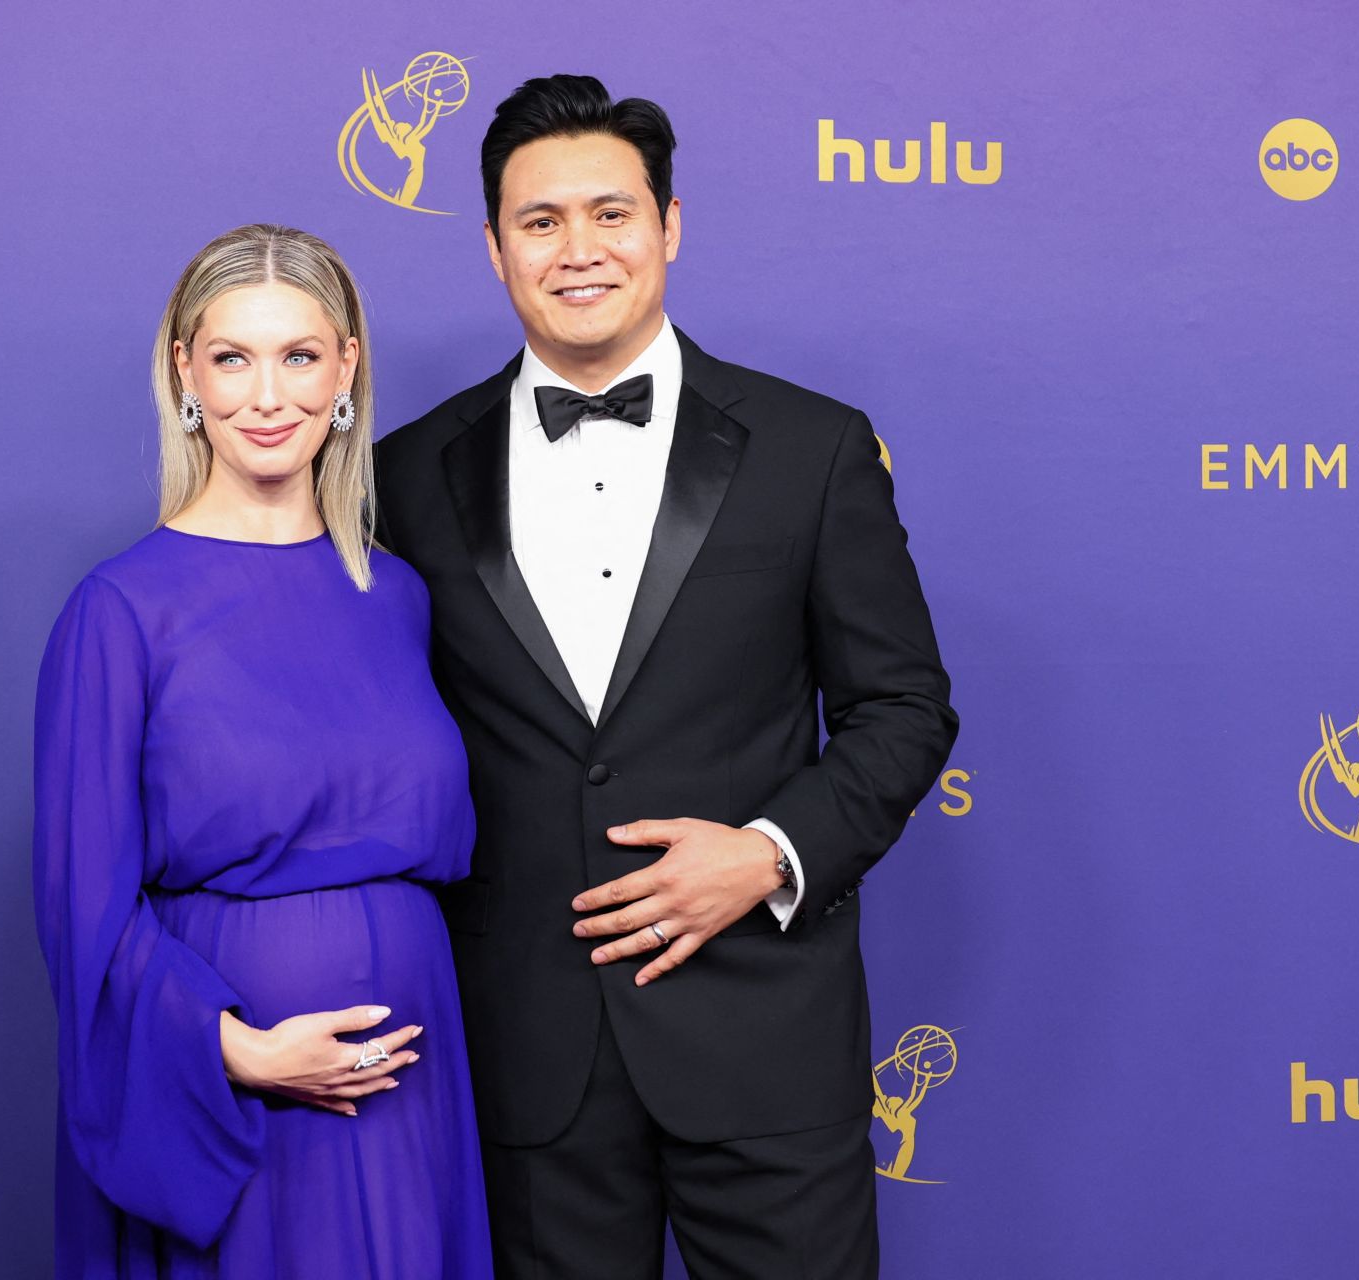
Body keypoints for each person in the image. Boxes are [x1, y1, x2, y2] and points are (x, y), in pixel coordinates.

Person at [374, 76, 959, 1279]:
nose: (579, 250)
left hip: (765, 1037)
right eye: (540, 222)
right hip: (529, 1058)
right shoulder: (403, 475)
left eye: (612, 213)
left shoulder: (814, 448)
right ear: (493, 247)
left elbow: (903, 707)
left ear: (671, 225)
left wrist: (769, 851)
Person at [33, 223, 492, 1279]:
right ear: (184, 371)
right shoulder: (119, 609)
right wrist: (238, 1049)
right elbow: (80, 903)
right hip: (236, 1095)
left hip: (412, 1089)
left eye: (299, 354)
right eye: (233, 357)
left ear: (347, 367)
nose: (268, 394)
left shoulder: (398, 594)